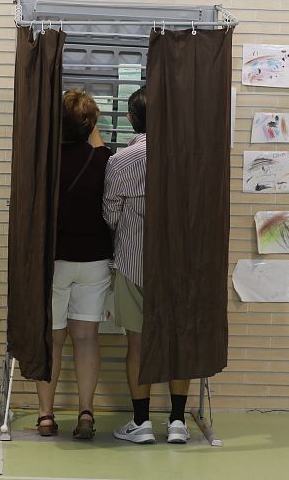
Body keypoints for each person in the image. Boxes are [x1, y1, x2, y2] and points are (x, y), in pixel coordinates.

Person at [103, 86, 191, 445]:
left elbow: (110, 215)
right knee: (177, 342)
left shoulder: (120, 161)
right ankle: (177, 422)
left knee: (137, 344)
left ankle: (141, 423)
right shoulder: (186, 158)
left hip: (133, 260)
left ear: (130, 120)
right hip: (179, 264)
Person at [35, 90, 112, 440]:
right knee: (86, 339)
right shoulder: (104, 160)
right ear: (92, 124)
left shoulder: (42, 161)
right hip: (94, 259)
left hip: (55, 262)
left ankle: (47, 416)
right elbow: (94, 145)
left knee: (52, 340)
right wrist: (88, 124)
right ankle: (85, 413)